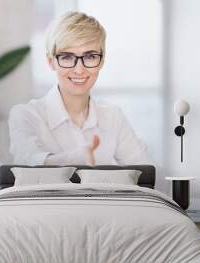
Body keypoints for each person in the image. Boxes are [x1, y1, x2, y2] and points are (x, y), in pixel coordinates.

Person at [9, 11, 150, 166]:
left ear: (102, 60)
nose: (79, 70)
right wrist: (78, 158)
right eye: (67, 57)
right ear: (51, 62)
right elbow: (27, 161)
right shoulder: (26, 115)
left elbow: (144, 171)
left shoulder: (113, 116)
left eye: (90, 57)